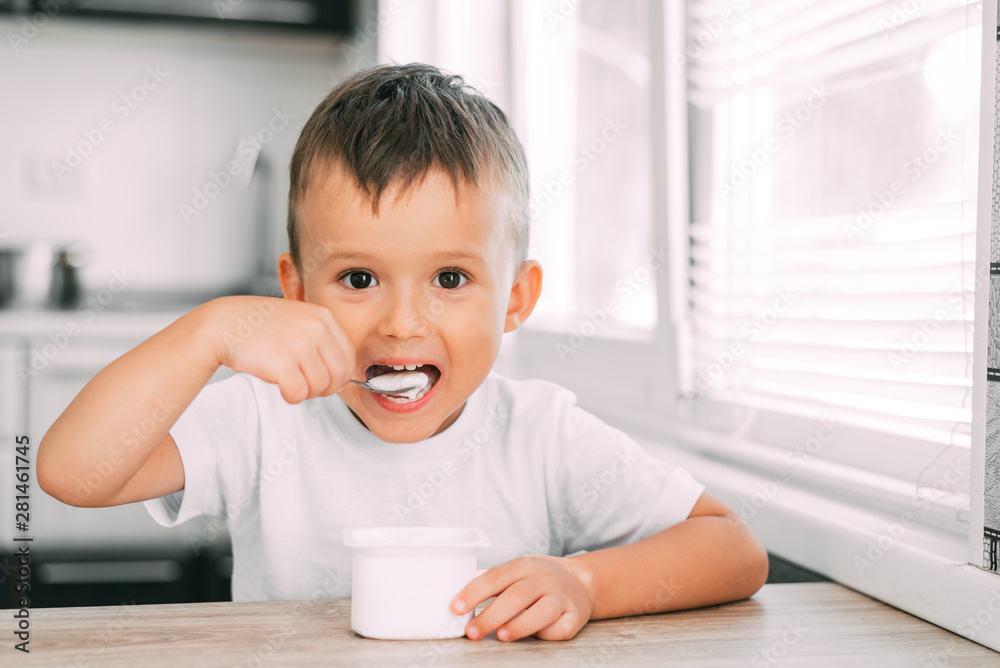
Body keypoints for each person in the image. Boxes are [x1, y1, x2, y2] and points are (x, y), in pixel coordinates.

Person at [38, 62, 767, 642]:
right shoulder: (265, 419)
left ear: (514, 299)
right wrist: (207, 334)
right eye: (359, 279)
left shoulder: (542, 435)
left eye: (450, 278)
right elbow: (71, 474)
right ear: (296, 291)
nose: (402, 323)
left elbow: (734, 548)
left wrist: (587, 583)